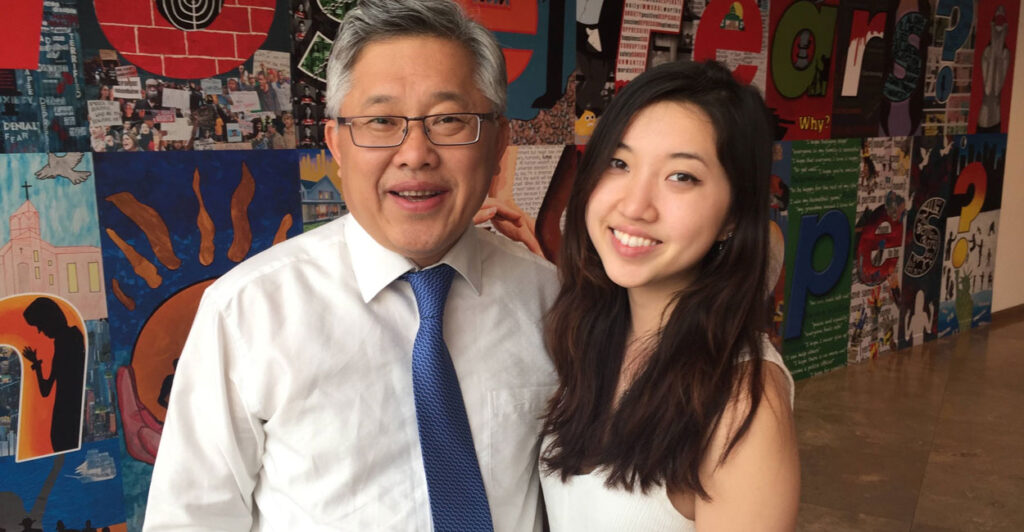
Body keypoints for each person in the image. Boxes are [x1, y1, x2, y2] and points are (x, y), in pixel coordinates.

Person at [144, 0, 557, 530]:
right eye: (381, 121)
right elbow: (191, 519)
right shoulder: (246, 312)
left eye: (449, 120)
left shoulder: (551, 299)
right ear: (336, 143)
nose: (415, 154)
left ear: (499, 143)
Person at [539, 60, 800, 531]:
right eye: (619, 163)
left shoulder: (743, 402)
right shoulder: (589, 334)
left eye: (681, 176)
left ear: (733, 215)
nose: (635, 205)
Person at [20, 297, 86, 454]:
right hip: (65, 420)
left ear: (49, 319)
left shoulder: (68, 339)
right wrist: (36, 364)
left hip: (68, 420)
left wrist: (36, 365)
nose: (40, 331)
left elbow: (47, 389)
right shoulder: (70, 337)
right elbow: (45, 390)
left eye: (39, 325)